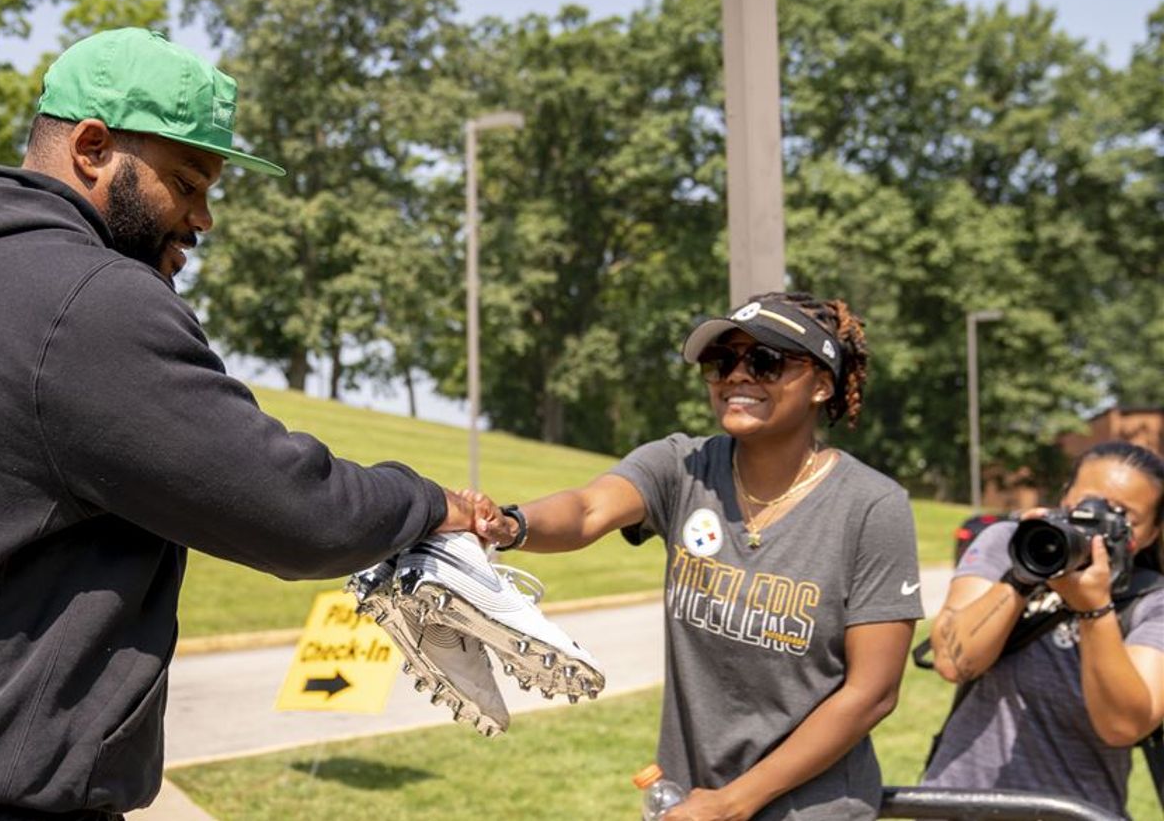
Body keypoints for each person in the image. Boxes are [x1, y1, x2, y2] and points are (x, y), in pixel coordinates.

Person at [0, 28, 500, 821]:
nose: (203, 217)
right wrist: (429, 503)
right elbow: (293, 510)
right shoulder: (86, 300)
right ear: (93, 148)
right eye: (186, 181)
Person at [469, 292, 923, 820]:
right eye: (721, 361)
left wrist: (735, 802)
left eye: (765, 362)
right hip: (690, 803)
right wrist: (510, 524)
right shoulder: (682, 467)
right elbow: (588, 509)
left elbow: (872, 693)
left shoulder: (872, 507)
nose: (736, 376)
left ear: (821, 385)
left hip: (811, 808)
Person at [922, 441, 1164, 814]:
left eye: (1121, 515)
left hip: (1073, 812)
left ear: (1150, 533)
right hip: (959, 804)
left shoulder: (1152, 602)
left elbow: (1122, 726)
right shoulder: (1009, 545)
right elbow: (953, 662)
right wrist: (1025, 575)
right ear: (1064, 497)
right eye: (1086, 504)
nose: (1095, 523)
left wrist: (1094, 610)